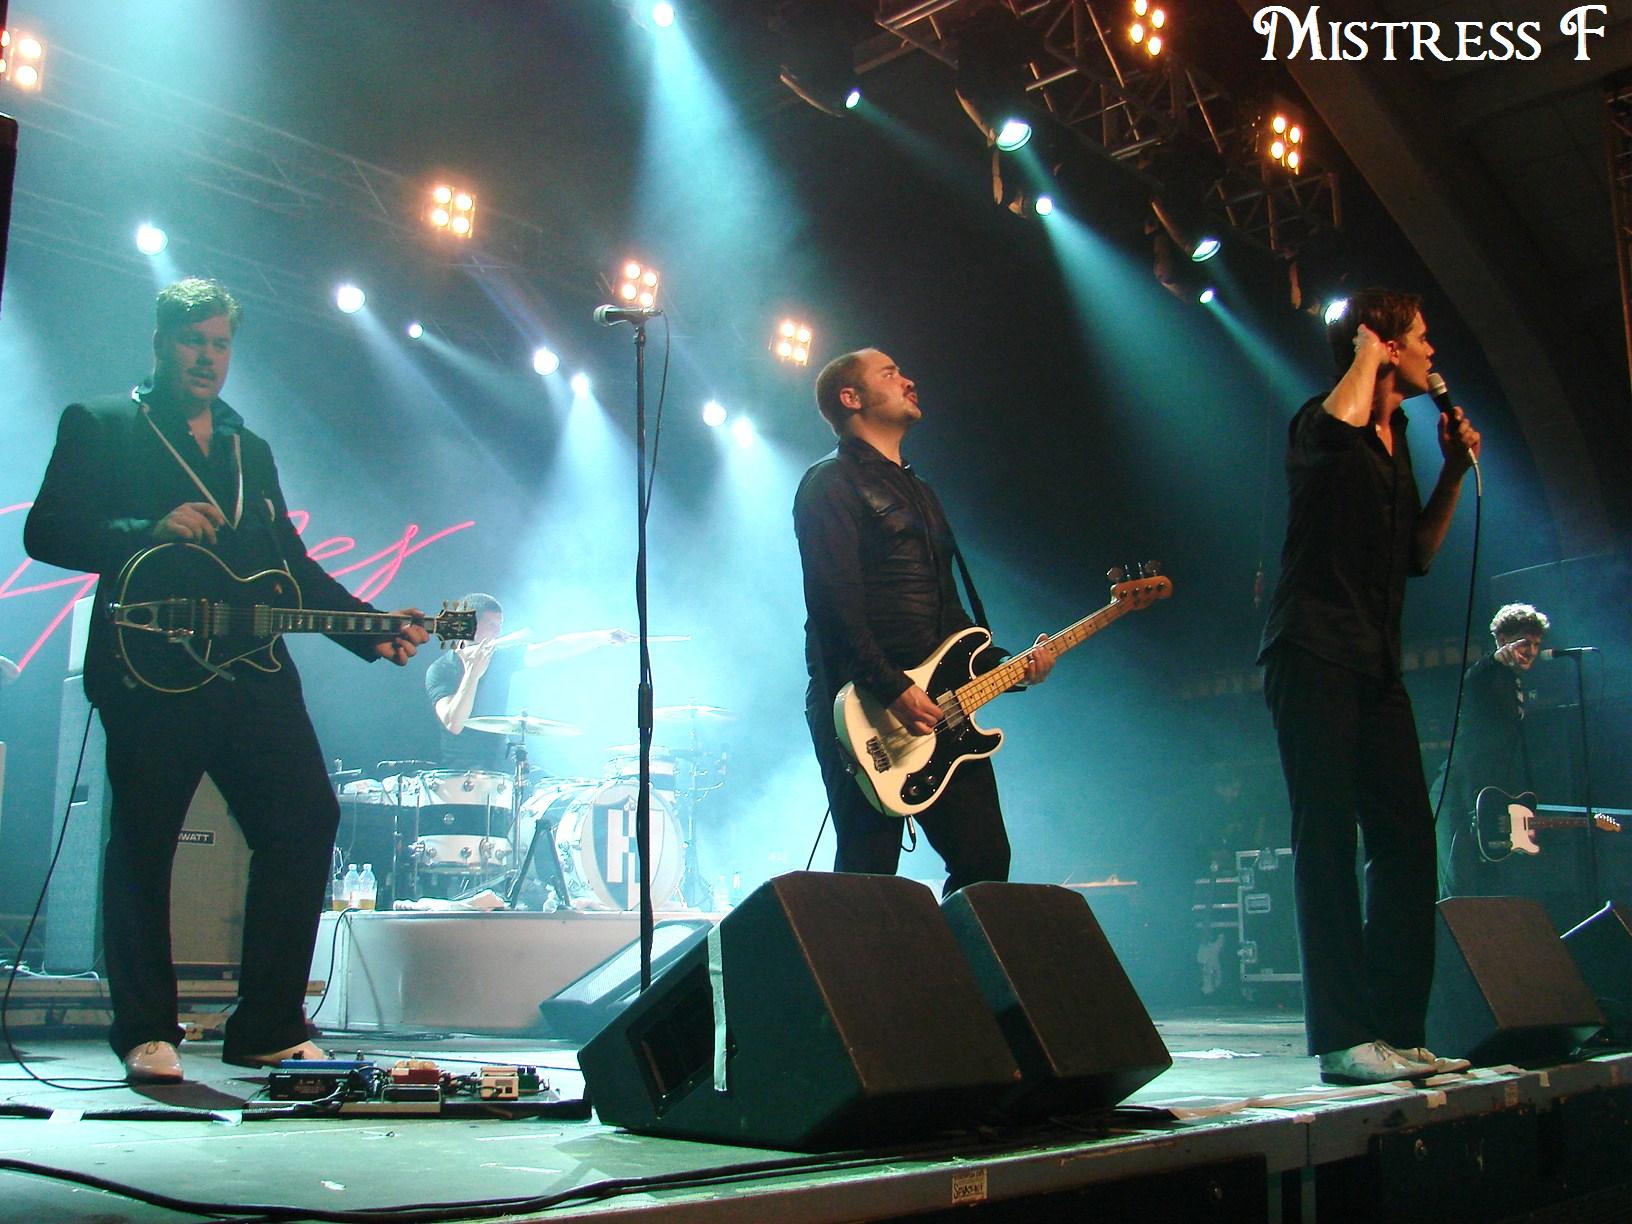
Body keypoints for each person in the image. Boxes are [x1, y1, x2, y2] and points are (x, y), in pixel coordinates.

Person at [24, 278, 429, 1084]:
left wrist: (370, 628)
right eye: (192, 340)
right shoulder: (102, 423)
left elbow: (289, 567)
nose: (207, 357)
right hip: (152, 669)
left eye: (219, 343)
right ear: (159, 342)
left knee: (305, 817)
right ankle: (145, 1030)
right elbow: (47, 531)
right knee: (145, 842)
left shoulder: (251, 450)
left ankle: (268, 1024)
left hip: (251, 669)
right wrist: (145, 529)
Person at [1258, 289, 1481, 1085]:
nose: (1433, 352)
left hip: (1375, 661)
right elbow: (1335, 428)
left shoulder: (1401, 442)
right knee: (1326, 837)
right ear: (1383, 348)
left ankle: (1397, 1028)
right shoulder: (1322, 422)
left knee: (1407, 840)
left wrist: (1454, 473)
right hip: (1311, 650)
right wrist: (1364, 353)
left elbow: (1416, 556)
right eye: (1420, 337)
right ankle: (1344, 1041)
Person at [793, 348, 1053, 896]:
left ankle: (949, 980)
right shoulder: (829, 484)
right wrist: (891, 688)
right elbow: (832, 605)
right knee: (870, 873)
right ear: (851, 397)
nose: (909, 380)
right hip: (862, 706)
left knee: (985, 864)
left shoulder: (920, 491)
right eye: (890, 373)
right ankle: (858, 982)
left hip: (941, 707)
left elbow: (951, 615)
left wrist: (1007, 665)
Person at [425, 594, 630, 771]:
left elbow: (554, 648)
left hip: (499, 771)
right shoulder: (441, 669)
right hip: (459, 774)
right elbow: (454, 723)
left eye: (500, 626)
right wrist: (472, 674)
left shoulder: (502, 658)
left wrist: (602, 636)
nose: (497, 632)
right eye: (491, 625)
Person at [1434, 603, 1548, 897]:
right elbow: (1475, 677)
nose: (1531, 650)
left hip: (1491, 794)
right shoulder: (1486, 674)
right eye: (1524, 642)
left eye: (1536, 644)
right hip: (1458, 791)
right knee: (1459, 886)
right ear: (1502, 640)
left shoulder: (1514, 682)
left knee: (1492, 884)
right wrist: (1497, 658)